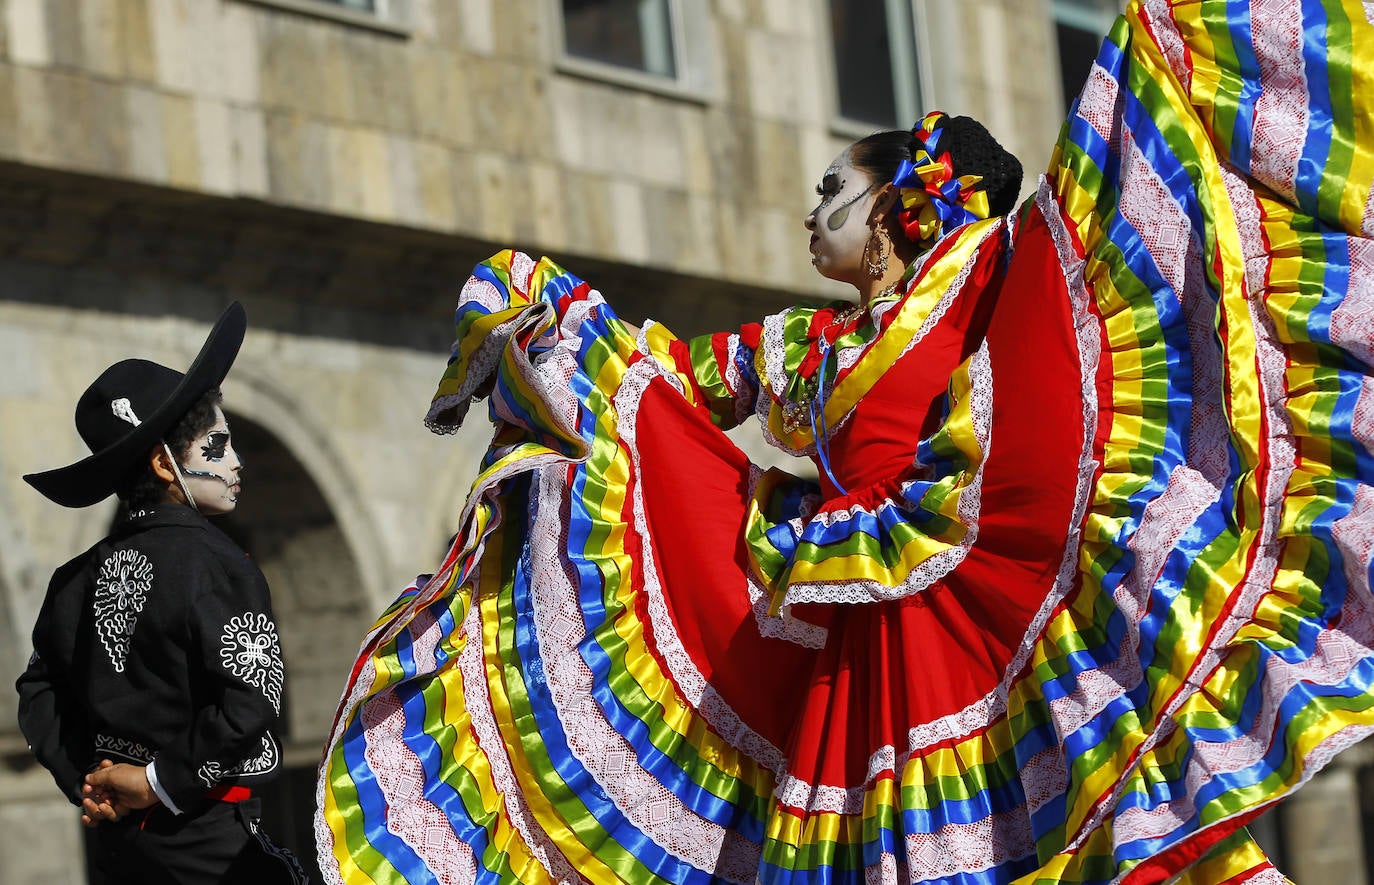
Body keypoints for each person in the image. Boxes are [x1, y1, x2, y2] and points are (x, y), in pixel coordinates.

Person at [317, 2, 1374, 882]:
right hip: (863, 645)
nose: (809, 209)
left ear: (900, 204)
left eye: (833, 191)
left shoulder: (983, 286)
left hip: (986, 611)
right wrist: (561, 329)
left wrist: (1154, 51)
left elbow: (1078, 283)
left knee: (1116, 824)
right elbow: (675, 383)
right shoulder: (813, 346)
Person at [16, 303, 309, 884]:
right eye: (218, 445)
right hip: (212, 853)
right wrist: (154, 784)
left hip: (118, 857)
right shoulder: (220, 566)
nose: (237, 460)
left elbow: (38, 690)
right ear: (164, 463)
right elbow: (252, 708)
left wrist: (88, 780)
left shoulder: (71, 578)